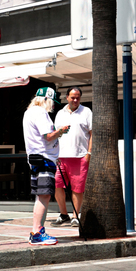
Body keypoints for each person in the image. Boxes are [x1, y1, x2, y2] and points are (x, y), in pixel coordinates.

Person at [23, 87, 70, 245]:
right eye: (52, 102)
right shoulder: (40, 113)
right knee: (44, 195)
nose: (53, 106)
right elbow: (48, 136)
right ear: (45, 100)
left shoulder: (29, 112)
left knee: (40, 196)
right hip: (44, 158)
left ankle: (37, 230)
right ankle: (37, 233)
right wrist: (60, 131)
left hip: (36, 157)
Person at [51, 87, 92, 228]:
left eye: (78, 97)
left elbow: (92, 134)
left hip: (80, 156)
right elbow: (55, 134)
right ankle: (64, 214)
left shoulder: (86, 112)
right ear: (67, 97)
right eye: (73, 97)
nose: (75, 100)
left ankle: (75, 216)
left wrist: (89, 154)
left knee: (77, 188)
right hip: (61, 157)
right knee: (57, 185)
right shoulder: (60, 113)